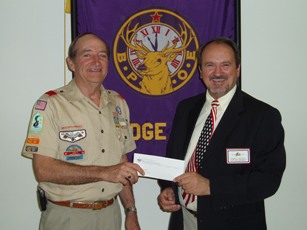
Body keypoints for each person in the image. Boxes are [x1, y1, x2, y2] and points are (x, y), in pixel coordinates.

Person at [157, 37, 286, 230]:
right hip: (185, 221)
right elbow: (174, 158)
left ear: (238, 69)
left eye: (225, 65)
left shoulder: (263, 116)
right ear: (201, 71)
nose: (217, 73)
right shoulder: (186, 109)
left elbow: (269, 180)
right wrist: (168, 187)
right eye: (210, 65)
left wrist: (211, 186)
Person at [22, 33, 145, 230]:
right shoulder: (50, 105)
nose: (96, 61)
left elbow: (121, 164)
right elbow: (43, 170)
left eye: (102, 55)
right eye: (87, 55)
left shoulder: (118, 104)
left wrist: (131, 211)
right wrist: (105, 173)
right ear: (71, 63)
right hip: (68, 216)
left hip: (111, 215)